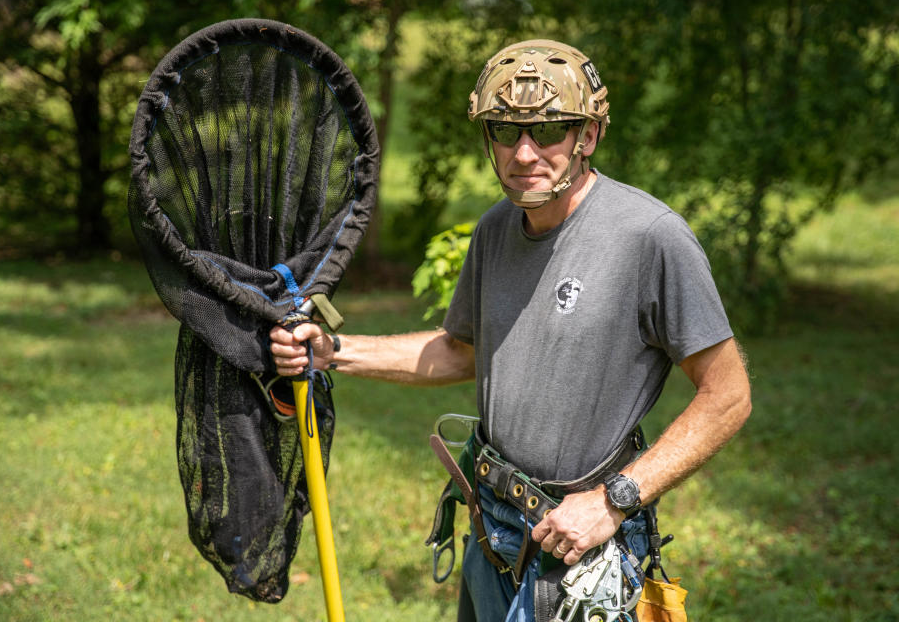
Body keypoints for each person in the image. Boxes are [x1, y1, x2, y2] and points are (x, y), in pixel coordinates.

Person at [269, 39, 752, 622]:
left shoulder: (649, 237)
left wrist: (614, 500)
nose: (525, 153)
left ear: (588, 136)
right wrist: (333, 351)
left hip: (578, 551)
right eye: (505, 131)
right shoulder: (497, 229)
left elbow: (728, 395)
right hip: (490, 529)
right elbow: (459, 352)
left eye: (548, 132)